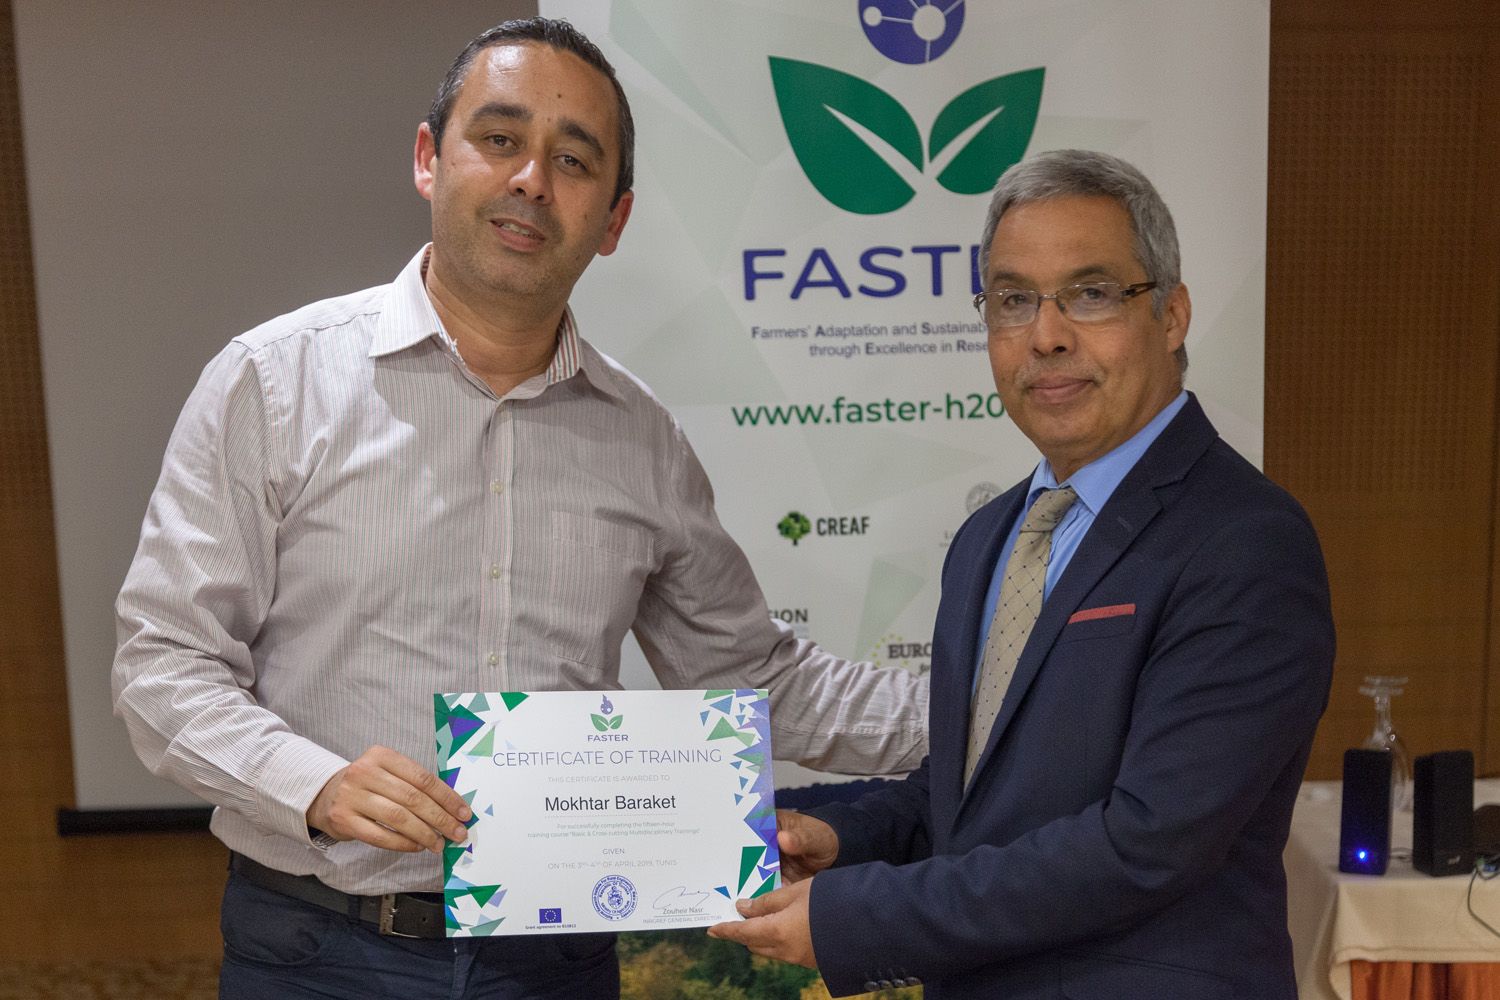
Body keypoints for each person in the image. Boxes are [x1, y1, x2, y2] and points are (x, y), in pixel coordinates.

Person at [111, 17, 926, 1000]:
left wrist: (1005, 710)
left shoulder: (643, 441)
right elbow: (164, 662)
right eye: (499, 139)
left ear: (614, 220)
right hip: (318, 948)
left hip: (554, 961)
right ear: (429, 158)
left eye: (573, 160)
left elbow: (758, 677)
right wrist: (311, 782)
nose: (533, 179)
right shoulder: (272, 384)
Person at [710, 149, 1336, 999]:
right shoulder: (988, 538)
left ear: (1173, 315)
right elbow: (971, 794)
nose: (1046, 335)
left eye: (1091, 293)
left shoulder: (1246, 540)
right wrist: (847, 839)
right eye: (1013, 300)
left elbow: (1146, 843)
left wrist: (859, 916)